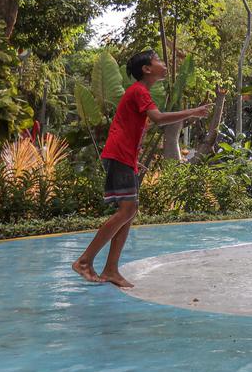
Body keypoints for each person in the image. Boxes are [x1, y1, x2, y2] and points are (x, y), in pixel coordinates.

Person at [72, 50, 212, 288]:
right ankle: (85, 261)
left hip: (126, 157)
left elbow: (128, 127)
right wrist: (192, 112)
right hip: (119, 155)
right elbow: (158, 118)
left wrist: (134, 159)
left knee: (129, 212)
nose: (164, 64)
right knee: (127, 209)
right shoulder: (138, 91)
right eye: (158, 60)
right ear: (147, 69)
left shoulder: (141, 93)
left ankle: (111, 269)